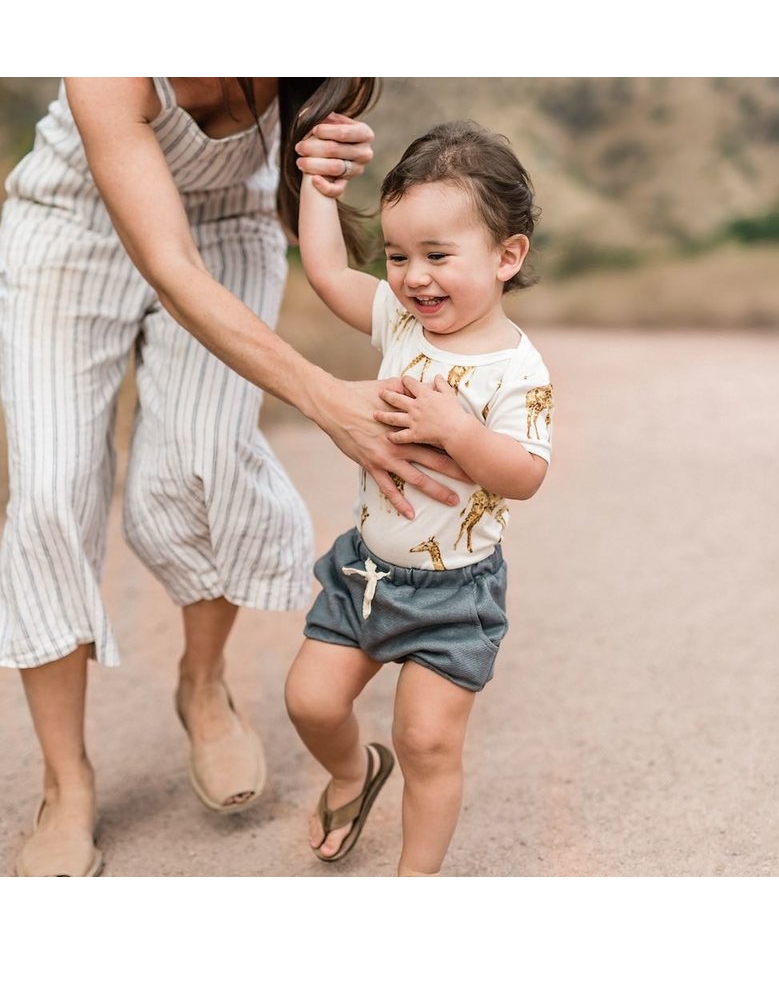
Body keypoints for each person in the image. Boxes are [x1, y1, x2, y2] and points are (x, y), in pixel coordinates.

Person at [0, 78, 465, 878]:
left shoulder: (313, 52)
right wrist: (324, 398)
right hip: (72, 229)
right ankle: (65, 783)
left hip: (227, 230)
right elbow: (169, 266)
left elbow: (300, 213)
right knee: (49, 493)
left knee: (202, 462)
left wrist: (322, 174)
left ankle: (203, 683)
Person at [285, 119, 555, 876]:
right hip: (366, 573)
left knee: (428, 742)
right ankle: (351, 771)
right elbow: (330, 274)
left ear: (507, 257)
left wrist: (458, 431)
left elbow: (526, 475)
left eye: (438, 256)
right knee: (309, 702)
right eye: (400, 255)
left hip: (453, 593)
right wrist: (318, 188)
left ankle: (416, 884)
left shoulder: (517, 370)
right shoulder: (402, 322)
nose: (413, 276)